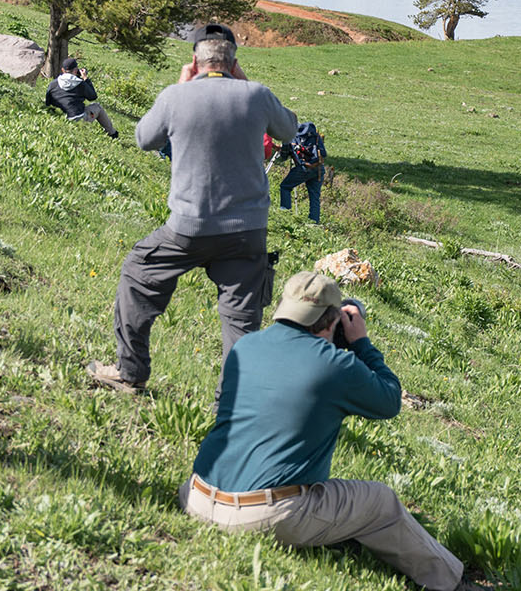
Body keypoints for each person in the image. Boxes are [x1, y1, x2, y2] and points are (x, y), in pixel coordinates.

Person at [182, 272, 463, 591]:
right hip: (263, 517)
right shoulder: (334, 365)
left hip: (196, 498)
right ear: (332, 321)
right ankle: (449, 580)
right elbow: (389, 400)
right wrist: (361, 344)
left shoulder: (245, 345)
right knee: (380, 501)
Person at [89, 25, 298, 393]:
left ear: (194, 61)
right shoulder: (258, 96)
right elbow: (289, 130)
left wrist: (182, 87)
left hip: (189, 227)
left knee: (138, 273)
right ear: (234, 63)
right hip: (247, 233)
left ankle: (130, 372)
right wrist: (245, 84)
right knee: (241, 324)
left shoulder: (176, 96)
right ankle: (232, 409)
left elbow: (143, 138)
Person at [44, 58, 118, 138]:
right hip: (78, 119)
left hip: (60, 116)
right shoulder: (80, 83)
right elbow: (93, 96)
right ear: (76, 71)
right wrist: (85, 78)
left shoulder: (53, 83)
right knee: (97, 107)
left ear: (62, 70)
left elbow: (47, 102)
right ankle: (113, 134)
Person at [279, 122, 326, 223]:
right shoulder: (315, 134)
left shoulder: (290, 135)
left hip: (304, 168)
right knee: (314, 197)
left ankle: (285, 215)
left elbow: (284, 156)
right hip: (318, 169)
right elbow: (323, 153)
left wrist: (283, 149)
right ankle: (314, 223)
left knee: (285, 187)